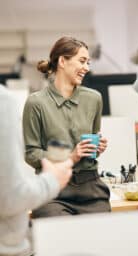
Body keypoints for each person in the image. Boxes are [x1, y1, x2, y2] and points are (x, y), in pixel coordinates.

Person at [22, 36, 110, 218]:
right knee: (61, 234)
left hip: (91, 188)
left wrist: (96, 147)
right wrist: (70, 156)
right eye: (82, 61)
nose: (87, 68)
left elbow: (91, 142)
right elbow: (31, 154)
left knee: (102, 239)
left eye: (88, 62)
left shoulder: (94, 98)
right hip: (52, 191)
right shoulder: (36, 103)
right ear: (62, 61)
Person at [0, 85, 73, 256]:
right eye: (82, 61)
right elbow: (9, 197)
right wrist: (52, 180)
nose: (86, 67)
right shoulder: (9, 102)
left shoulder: (90, 100)